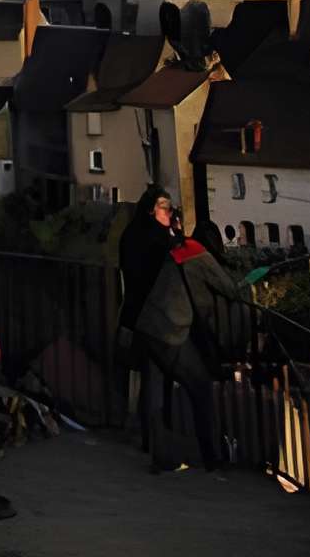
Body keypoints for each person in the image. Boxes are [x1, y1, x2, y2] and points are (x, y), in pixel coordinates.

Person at [133, 210, 255, 474]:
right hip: (171, 330)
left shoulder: (177, 251)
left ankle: (159, 457)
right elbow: (229, 289)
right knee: (199, 385)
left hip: (147, 324)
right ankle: (211, 458)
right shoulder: (198, 253)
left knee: (156, 395)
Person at [117, 189, 175, 453]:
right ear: (154, 209)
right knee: (154, 377)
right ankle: (155, 438)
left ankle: (143, 432)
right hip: (155, 316)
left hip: (133, 313)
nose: (170, 214)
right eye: (167, 209)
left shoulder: (131, 234)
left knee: (142, 375)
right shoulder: (158, 239)